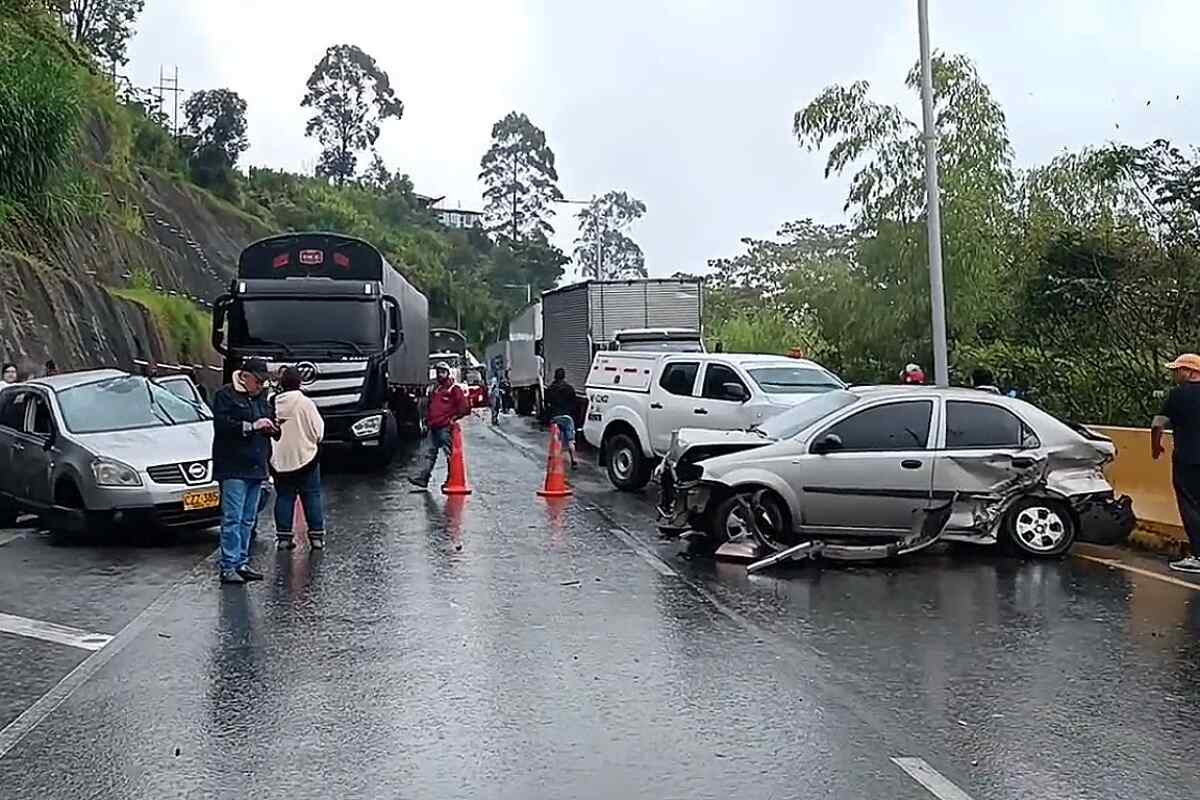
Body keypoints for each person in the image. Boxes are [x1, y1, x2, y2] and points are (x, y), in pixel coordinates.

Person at [211, 358, 277, 585]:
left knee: (248, 519)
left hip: (257, 466)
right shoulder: (225, 395)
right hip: (233, 467)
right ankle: (229, 565)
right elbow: (221, 425)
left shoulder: (262, 398)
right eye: (258, 381)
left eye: (263, 382)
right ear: (244, 376)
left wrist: (271, 427)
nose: (260, 386)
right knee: (232, 518)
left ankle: (241, 562)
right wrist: (251, 426)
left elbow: (270, 423)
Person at [1152, 353, 1200, 573]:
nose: (1174, 374)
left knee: (1190, 505)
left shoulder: (1178, 395)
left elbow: (1158, 424)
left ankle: (1198, 556)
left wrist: (1156, 446)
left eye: (1178, 370)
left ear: (1190, 372)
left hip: (1188, 459)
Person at [270, 366, 327, 550]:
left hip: (279, 460)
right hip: (306, 457)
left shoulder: (272, 403)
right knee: (311, 496)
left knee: (285, 497)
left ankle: (284, 537)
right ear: (300, 383)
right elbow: (319, 431)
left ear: (281, 384)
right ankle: (316, 537)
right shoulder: (305, 403)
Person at [409, 361, 469, 490]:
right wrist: (426, 420)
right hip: (434, 426)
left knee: (450, 456)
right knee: (428, 453)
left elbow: (464, 408)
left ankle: (452, 480)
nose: (440, 375)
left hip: (445, 427)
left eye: (443, 372)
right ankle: (422, 478)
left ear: (448, 373)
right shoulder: (436, 389)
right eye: (438, 372)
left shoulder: (454, 389)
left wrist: (453, 419)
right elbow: (429, 406)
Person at [544, 367, 578, 469]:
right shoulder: (569, 388)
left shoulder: (550, 388)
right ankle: (573, 460)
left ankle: (554, 459)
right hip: (567, 417)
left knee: (556, 439)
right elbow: (574, 403)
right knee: (570, 440)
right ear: (564, 376)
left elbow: (546, 403)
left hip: (555, 417)